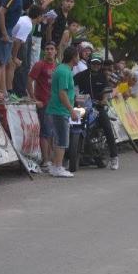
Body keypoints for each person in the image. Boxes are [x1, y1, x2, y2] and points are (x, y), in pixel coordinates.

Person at [46, 46, 80, 178]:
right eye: (77, 55)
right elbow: (62, 93)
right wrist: (71, 110)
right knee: (62, 139)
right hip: (60, 110)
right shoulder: (64, 71)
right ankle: (58, 167)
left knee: (58, 138)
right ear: (73, 57)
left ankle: (55, 165)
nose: (79, 58)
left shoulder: (61, 69)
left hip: (57, 109)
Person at [28, 41, 57, 169]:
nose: (49, 51)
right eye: (47, 48)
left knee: (53, 133)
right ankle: (45, 161)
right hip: (44, 104)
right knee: (45, 132)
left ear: (56, 51)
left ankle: (52, 159)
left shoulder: (58, 66)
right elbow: (29, 81)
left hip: (56, 104)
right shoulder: (40, 64)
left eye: (52, 49)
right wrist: (34, 99)